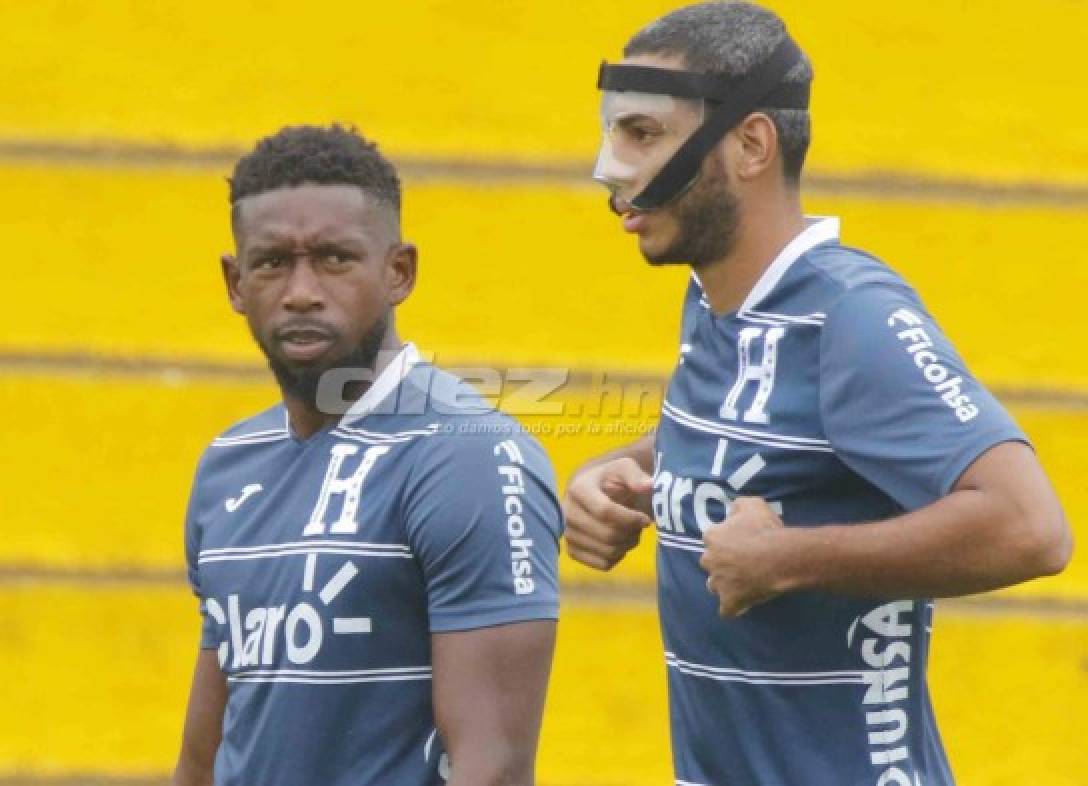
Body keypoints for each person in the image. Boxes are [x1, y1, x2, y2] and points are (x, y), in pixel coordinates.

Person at [563, 3, 1073, 784]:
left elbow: (1032, 528)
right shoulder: (716, 301)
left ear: (751, 144)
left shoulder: (851, 317)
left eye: (644, 135)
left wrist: (789, 559)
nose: (613, 169)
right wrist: (623, 476)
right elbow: (760, 440)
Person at [172, 124, 562, 786]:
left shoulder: (466, 457)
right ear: (235, 284)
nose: (301, 291)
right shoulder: (227, 464)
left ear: (399, 272)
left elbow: (492, 766)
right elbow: (203, 760)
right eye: (272, 263)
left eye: (333, 259)